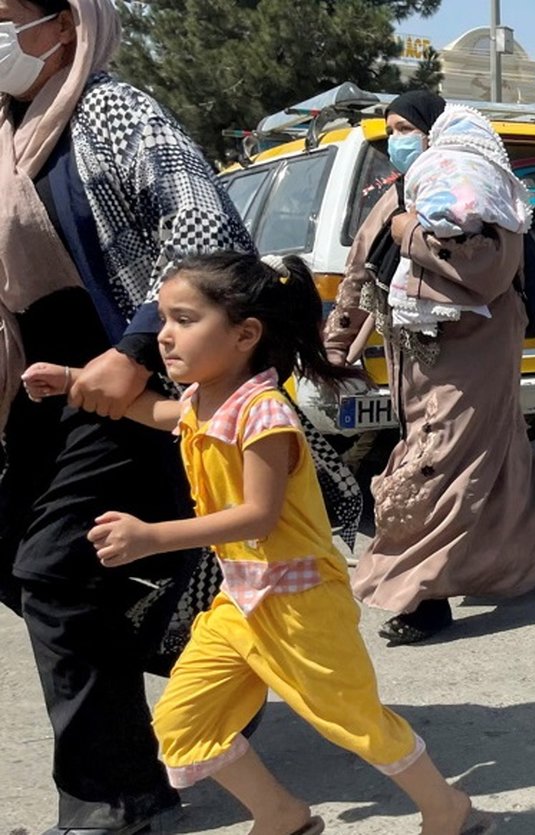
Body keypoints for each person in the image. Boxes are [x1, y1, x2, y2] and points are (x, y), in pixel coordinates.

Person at [23, 253, 493, 835]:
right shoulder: (202, 400)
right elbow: (157, 411)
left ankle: (448, 809)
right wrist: (73, 381)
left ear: (246, 334)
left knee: (353, 719)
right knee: (182, 724)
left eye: (185, 320)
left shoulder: (265, 414)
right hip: (241, 604)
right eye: (164, 319)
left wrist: (152, 537)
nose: (165, 337)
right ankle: (281, 815)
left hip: (300, 605)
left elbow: (257, 516)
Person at [0, 2, 259, 830]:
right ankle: (213, 654)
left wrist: (140, 343)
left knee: (55, 568)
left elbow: (208, 225)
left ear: (63, 26)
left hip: (124, 381)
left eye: (4, 15)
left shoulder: (108, 109)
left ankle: (111, 794)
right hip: (39, 389)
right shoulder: (7, 132)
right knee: (26, 557)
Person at [329, 105, 535, 644]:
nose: (397, 140)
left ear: (435, 130)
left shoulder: (474, 188)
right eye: (391, 132)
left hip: (476, 352)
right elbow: (361, 271)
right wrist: (338, 343)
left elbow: (487, 271)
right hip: (414, 356)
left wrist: (409, 233)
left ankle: (421, 594)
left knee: (439, 463)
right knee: (499, 458)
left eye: (406, 129)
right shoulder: (397, 192)